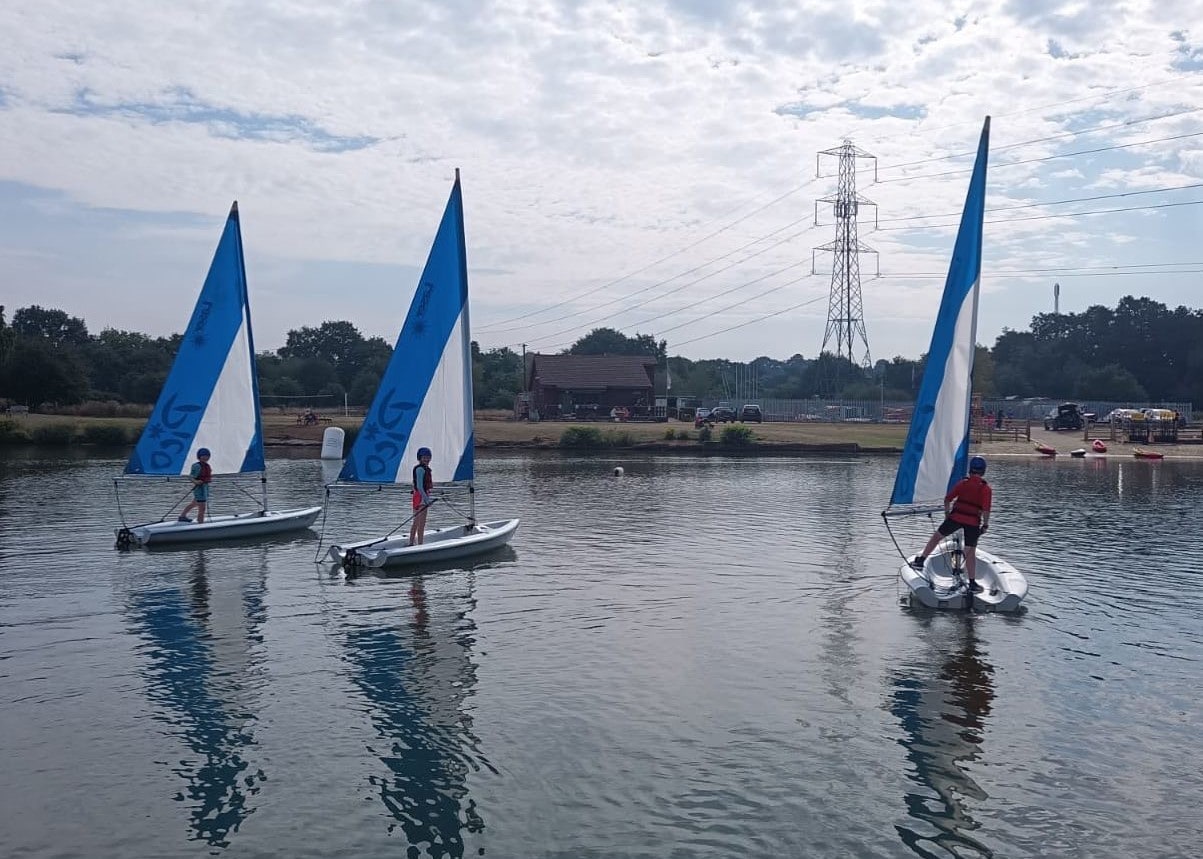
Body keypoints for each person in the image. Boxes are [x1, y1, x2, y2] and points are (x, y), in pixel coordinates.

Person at [911, 455, 992, 594]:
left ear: (970, 470)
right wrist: (985, 525)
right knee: (969, 552)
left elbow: (947, 499)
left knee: (937, 536)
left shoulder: (963, 483)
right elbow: (986, 510)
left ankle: (921, 561)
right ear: (983, 471)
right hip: (973, 522)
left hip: (956, 517)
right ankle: (972, 583)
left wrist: (947, 514)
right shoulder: (986, 489)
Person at [178, 448, 213, 523]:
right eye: (203, 456)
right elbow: (190, 477)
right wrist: (196, 481)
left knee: (194, 503)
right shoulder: (196, 466)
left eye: (207, 456)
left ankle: (182, 516)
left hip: (205, 488)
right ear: (199, 456)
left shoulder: (207, 465)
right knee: (202, 508)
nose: (206, 457)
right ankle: (200, 523)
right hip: (199, 489)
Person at [409, 447, 434, 546]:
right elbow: (419, 486)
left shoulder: (424, 469)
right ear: (420, 458)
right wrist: (426, 499)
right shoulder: (420, 469)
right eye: (424, 457)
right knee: (421, 522)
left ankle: (411, 542)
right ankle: (420, 544)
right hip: (421, 497)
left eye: (428, 457)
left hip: (419, 495)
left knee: (416, 520)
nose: (426, 459)